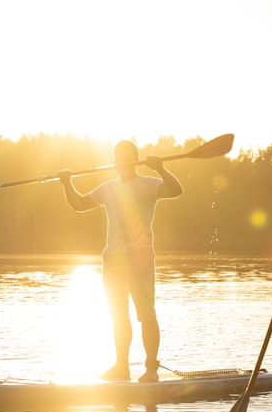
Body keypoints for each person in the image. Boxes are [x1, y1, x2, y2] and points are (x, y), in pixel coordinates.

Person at [57, 140, 183, 383]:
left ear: (136, 159)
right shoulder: (108, 188)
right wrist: (66, 183)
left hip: (140, 258)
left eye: (126, 156)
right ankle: (121, 367)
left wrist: (161, 169)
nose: (121, 161)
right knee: (117, 315)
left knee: (146, 314)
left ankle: (151, 370)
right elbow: (79, 204)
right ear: (114, 161)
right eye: (117, 156)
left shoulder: (148, 184)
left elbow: (177, 190)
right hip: (112, 260)